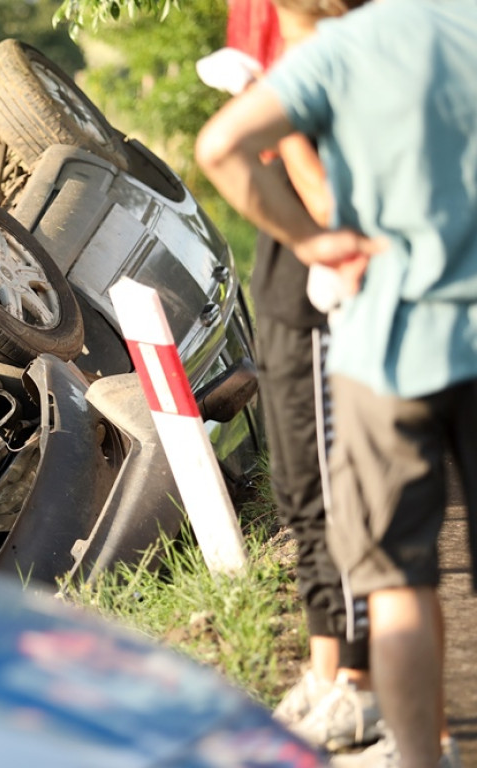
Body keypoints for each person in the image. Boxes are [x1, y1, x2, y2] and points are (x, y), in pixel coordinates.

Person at [195, 2, 477, 766]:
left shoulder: (346, 50)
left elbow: (220, 146)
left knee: (399, 584)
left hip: (389, 347)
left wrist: (317, 240)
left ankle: (423, 756)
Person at [210, 0, 380, 753]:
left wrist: (324, 235)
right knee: (298, 486)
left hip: (328, 249)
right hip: (287, 247)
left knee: (334, 483)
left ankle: (361, 683)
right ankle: (327, 667)